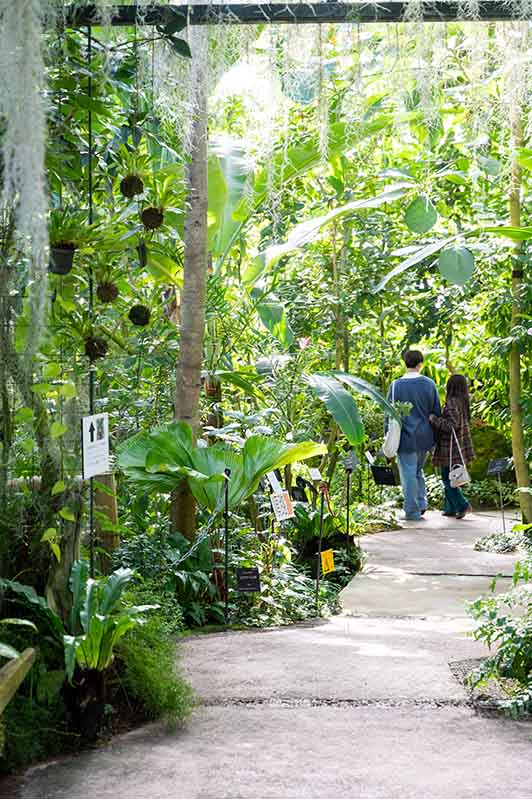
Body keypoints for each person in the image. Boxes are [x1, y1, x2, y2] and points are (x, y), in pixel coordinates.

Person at [387, 350, 441, 521]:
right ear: (420, 364)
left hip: (405, 437)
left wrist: (386, 436)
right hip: (425, 436)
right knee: (417, 471)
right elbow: (436, 411)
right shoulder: (429, 384)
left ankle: (412, 511)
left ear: (405, 363)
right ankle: (421, 503)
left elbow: (388, 413)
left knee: (408, 474)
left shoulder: (396, 385)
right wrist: (436, 439)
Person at [429, 374, 475, 519]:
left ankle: (462, 505)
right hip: (460, 446)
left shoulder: (452, 402)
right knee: (450, 477)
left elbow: (451, 425)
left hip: (450, 448)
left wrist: (434, 419)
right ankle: (449, 508)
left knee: (448, 479)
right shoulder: (463, 401)